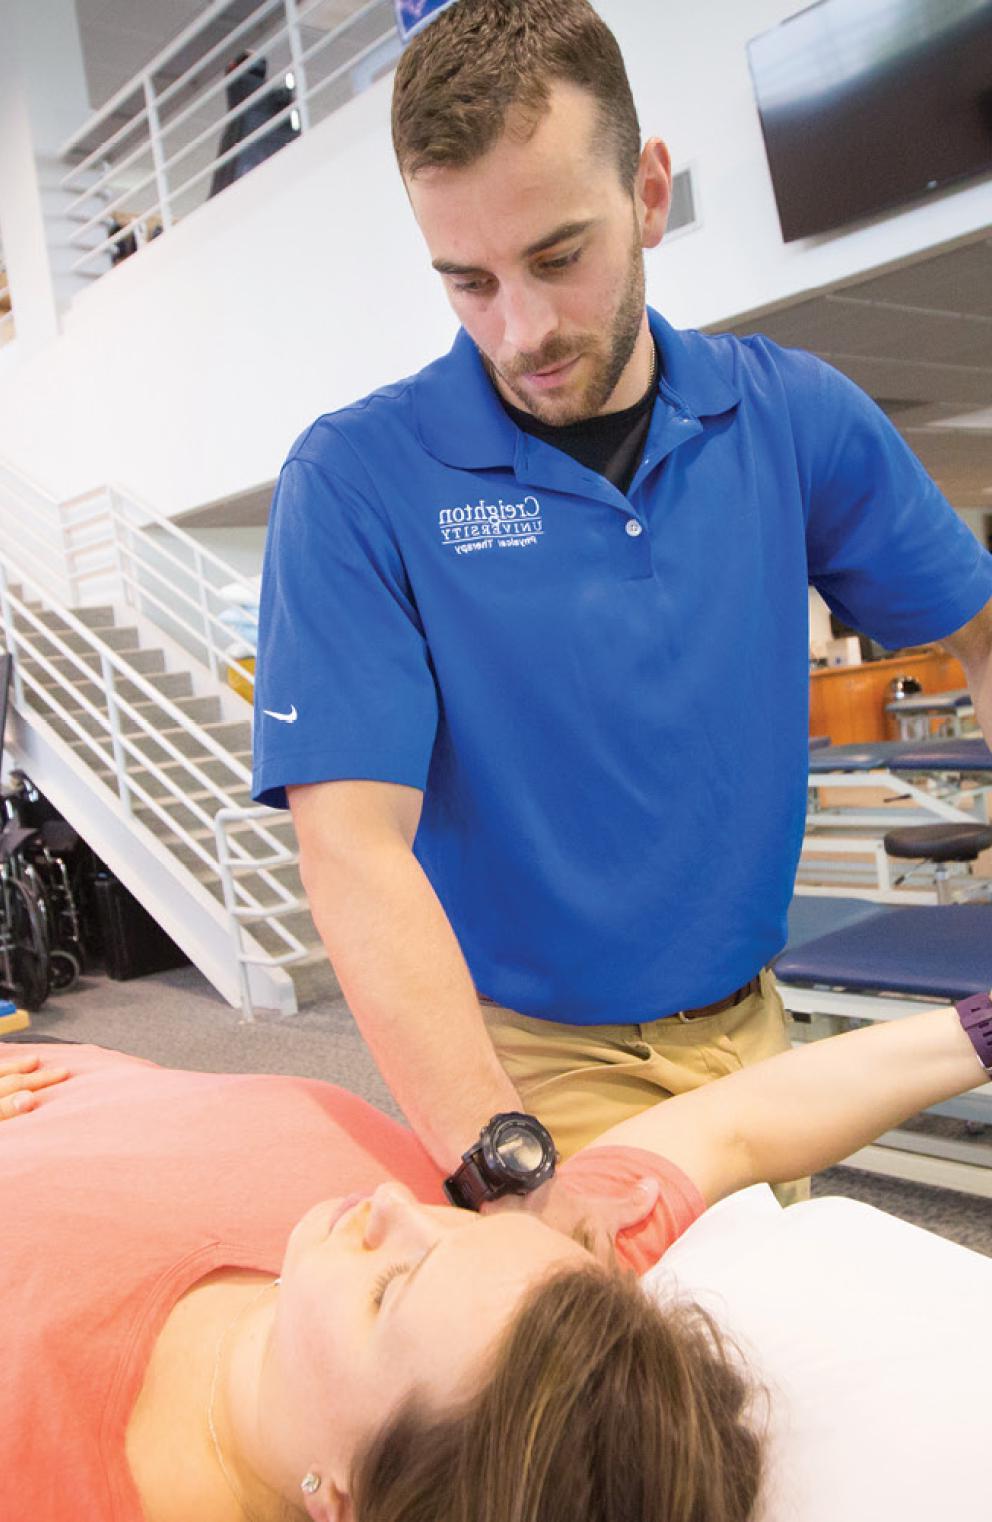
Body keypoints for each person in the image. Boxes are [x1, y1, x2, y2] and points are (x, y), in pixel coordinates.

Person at [251, 0, 992, 1218]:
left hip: (752, 1033)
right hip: (525, 1058)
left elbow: (974, 629)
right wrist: (496, 1146)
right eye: (467, 282)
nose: (521, 330)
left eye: (556, 257)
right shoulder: (353, 483)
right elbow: (351, 845)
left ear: (648, 193)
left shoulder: (790, 416)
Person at [1, 993, 990, 1521]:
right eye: (470, 1223)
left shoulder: (45, 1466)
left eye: (388, 1291)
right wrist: (978, 1029)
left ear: (341, 1495)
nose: (399, 1202)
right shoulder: (514, 1312)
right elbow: (733, 1128)